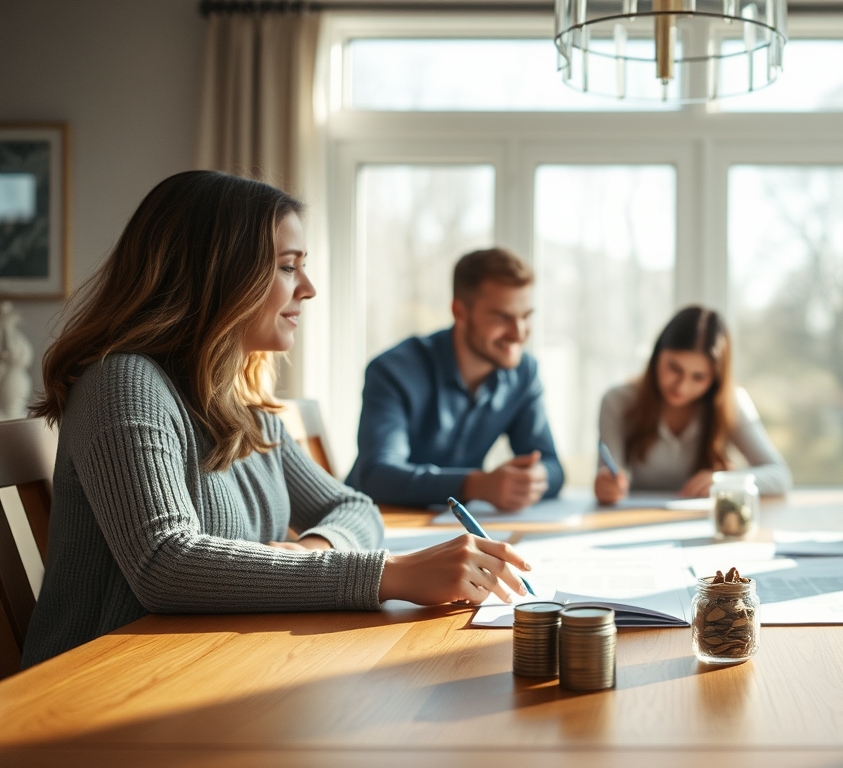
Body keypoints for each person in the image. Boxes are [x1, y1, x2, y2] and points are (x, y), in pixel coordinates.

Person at [22, 171, 530, 668]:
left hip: (206, 665)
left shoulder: (238, 402)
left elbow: (354, 507)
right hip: (96, 689)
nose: (307, 288)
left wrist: (309, 552)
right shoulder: (123, 381)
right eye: (288, 266)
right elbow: (166, 564)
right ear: (219, 274)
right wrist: (387, 574)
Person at [345, 248, 564, 511]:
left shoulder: (523, 374)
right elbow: (377, 476)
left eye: (526, 316)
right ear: (459, 312)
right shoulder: (392, 371)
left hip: (453, 528)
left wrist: (532, 479)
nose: (518, 333)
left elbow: (553, 466)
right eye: (502, 317)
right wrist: (477, 485)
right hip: (379, 525)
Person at [595, 306, 792, 503]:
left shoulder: (731, 403)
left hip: (707, 526)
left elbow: (780, 476)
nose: (682, 386)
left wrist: (723, 482)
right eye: (674, 368)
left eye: (698, 377)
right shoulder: (617, 402)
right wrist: (608, 486)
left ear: (716, 379)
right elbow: (610, 475)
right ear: (657, 356)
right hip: (632, 522)